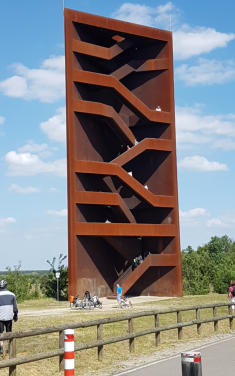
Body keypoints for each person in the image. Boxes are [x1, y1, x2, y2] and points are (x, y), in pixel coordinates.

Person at [0, 280, 18, 355]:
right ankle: (9, 347)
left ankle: (1, 348)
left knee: (0, 333)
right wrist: (15, 315)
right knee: (9, 332)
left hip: (0, 317)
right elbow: (15, 308)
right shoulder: (12, 294)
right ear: (6, 286)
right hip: (9, 317)